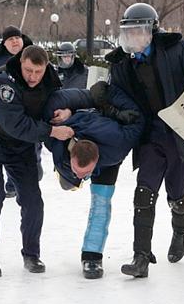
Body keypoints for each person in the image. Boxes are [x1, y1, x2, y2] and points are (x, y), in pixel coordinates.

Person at [104, 3, 184, 278]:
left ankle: (180, 230)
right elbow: (116, 99)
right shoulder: (120, 65)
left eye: (138, 31)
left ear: (152, 31)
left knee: (177, 195)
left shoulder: (175, 49)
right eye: (128, 32)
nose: (133, 37)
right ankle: (141, 257)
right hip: (149, 136)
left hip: (181, 133)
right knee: (143, 193)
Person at [0, 45, 74, 277]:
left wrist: (68, 112)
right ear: (21, 63)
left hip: (19, 148)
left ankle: (31, 254)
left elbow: (69, 100)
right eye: (28, 71)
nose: (33, 77)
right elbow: (15, 124)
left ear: (46, 67)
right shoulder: (4, 81)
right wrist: (51, 132)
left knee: (33, 200)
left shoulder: (50, 81)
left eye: (38, 71)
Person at [42, 81, 144, 279]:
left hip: (107, 152)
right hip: (77, 129)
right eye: (78, 171)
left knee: (101, 203)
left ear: (95, 163)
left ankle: (92, 257)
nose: (81, 175)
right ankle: (69, 176)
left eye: (85, 173)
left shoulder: (117, 146)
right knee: (69, 183)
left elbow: (137, 121)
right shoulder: (60, 139)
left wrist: (108, 107)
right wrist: (68, 112)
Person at [0, 25, 39, 199]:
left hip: (28, 107)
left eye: (17, 38)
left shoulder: (33, 54)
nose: (15, 41)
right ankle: (12, 183)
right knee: (9, 145)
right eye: (11, 39)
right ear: (5, 43)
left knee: (30, 143)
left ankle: (30, 172)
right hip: (2, 110)